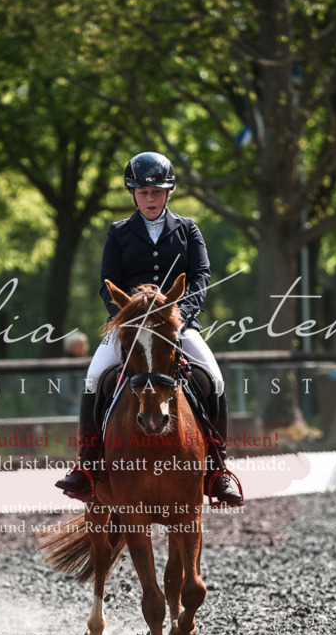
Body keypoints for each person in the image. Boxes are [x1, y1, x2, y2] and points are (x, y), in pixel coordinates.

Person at [56, 151, 243, 506]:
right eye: (143, 192)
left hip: (176, 325)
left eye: (156, 191)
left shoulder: (188, 229)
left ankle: (218, 471)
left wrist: (178, 315)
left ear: (168, 193)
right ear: (133, 194)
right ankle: (86, 466)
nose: (150, 198)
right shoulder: (119, 232)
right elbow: (107, 282)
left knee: (214, 380)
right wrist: (127, 317)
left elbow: (201, 277)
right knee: (94, 378)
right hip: (130, 328)